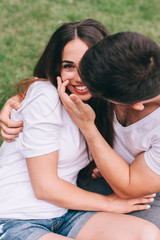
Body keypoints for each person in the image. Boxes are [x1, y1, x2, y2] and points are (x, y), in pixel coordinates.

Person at [0, 20, 158, 240]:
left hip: (66, 215)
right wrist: (110, 203)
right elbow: (44, 187)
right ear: (57, 68)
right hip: (16, 219)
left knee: (147, 234)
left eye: (87, 66)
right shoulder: (46, 97)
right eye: (68, 66)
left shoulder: (98, 106)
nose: (80, 76)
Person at [56, 31, 160, 228]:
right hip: (105, 174)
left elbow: (130, 187)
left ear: (135, 104)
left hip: (146, 191)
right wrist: (24, 96)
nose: (80, 82)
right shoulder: (134, 58)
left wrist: (87, 126)